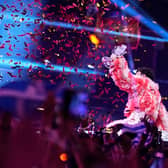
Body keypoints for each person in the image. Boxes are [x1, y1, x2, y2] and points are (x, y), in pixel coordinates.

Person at [102, 44, 168, 132]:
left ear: (143, 76)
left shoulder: (144, 82)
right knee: (111, 129)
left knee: (111, 129)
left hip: (138, 123)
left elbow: (125, 78)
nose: (135, 76)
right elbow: (164, 123)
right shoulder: (155, 96)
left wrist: (117, 57)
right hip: (143, 126)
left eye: (137, 74)